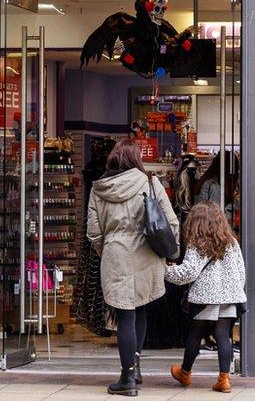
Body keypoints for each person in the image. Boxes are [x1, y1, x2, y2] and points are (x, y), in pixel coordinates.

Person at [86, 139, 179, 396]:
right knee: (140, 309)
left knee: (124, 315)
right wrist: (172, 251)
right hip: (147, 255)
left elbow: (93, 232)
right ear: (136, 159)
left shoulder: (99, 189)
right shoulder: (150, 183)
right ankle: (134, 369)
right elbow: (170, 222)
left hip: (115, 254)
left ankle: (127, 376)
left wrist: (106, 251)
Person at [166, 201, 246, 394]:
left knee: (195, 334)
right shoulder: (231, 242)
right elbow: (241, 271)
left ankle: (185, 373)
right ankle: (224, 379)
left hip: (206, 297)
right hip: (230, 295)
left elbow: (188, 273)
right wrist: (235, 289)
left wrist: (165, 271)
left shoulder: (198, 243)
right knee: (223, 336)